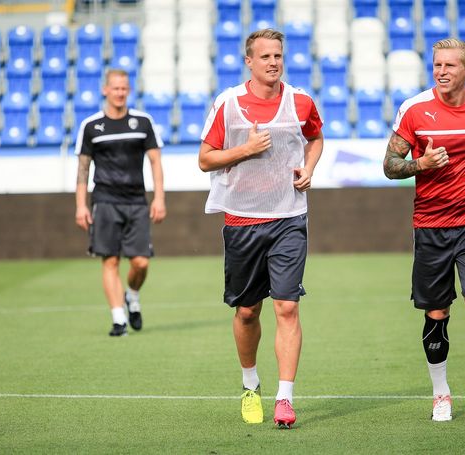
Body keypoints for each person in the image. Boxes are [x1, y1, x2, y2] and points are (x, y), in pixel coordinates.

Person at [198, 29, 324, 429]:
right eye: (265, 56)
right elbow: (205, 159)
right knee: (248, 311)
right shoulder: (228, 103)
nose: (273, 62)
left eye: (279, 55)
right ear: (249, 62)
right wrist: (246, 150)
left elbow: (316, 138)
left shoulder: (300, 101)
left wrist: (309, 167)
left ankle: (284, 399)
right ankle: (250, 384)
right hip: (241, 221)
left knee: (287, 306)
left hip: (289, 218)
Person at [382, 38, 465, 421]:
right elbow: (389, 165)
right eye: (437, 65)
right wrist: (422, 164)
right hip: (431, 228)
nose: (441, 71)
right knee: (437, 315)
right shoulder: (415, 110)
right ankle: (441, 394)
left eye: (449, 66)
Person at [74, 68, 166, 337]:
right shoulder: (91, 126)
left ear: (129, 90)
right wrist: (81, 205)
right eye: (115, 88)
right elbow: (82, 170)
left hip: (137, 201)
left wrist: (159, 198)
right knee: (110, 261)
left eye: (124, 88)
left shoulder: (143, 122)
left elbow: (155, 162)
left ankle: (133, 296)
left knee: (141, 263)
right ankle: (118, 320)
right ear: (105, 90)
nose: (120, 93)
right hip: (104, 201)